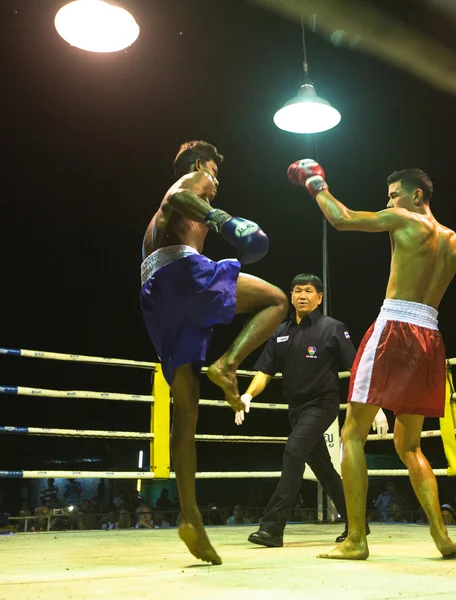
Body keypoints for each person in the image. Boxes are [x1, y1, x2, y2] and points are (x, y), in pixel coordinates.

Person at [287, 160, 456, 560]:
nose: (389, 202)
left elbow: (342, 219)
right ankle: (442, 536)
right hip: (430, 337)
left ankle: (356, 540)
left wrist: (315, 183)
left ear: (417, 195)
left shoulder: (404, 219)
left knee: (352, 435)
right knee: (410, 445)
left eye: (394, 195)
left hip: (394, 327)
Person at [140, 140, 288, 563]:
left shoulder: (154, 225)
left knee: (186, 411)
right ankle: (228, 363)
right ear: (204, 164)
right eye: (215, 172)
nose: (216, 182)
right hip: (181, 274)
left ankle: (190, 517)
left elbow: (169, 214)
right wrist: (220, 217)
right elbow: (179, 195)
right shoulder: (196, 180)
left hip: (155, 296)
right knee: (276, 300)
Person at [239, 274, 364, 547]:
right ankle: (358, 522)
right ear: (291, 295)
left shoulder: (332, 328)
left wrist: (371, 407)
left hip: (322, 404)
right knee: (324, 470)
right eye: (297, 291)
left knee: (294, 450)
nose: (302, 296)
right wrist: (247, 395)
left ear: (319, 297)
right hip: (295, 409)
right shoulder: (280, 332)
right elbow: (265, 372)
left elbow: (355, 369)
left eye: (308, 291)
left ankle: (272, 529)